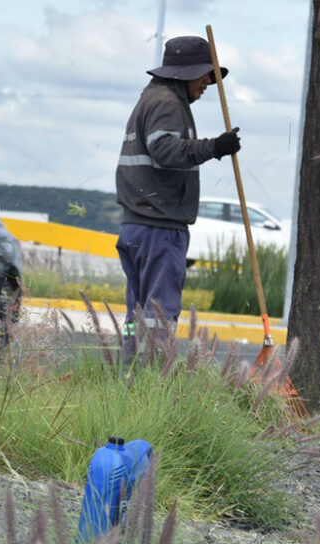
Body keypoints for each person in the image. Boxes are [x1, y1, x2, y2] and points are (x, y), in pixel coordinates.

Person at [115, 35, 241, 358]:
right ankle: (151, 381)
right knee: (159, 316)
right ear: (185, 73)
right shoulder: (168, 103)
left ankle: (130, 374)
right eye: (204, 76)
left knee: (138, 314)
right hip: (159, 226)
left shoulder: (150, 100)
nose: (207, 84)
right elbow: (164, 148)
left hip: (137, 226)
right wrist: (214, 148)